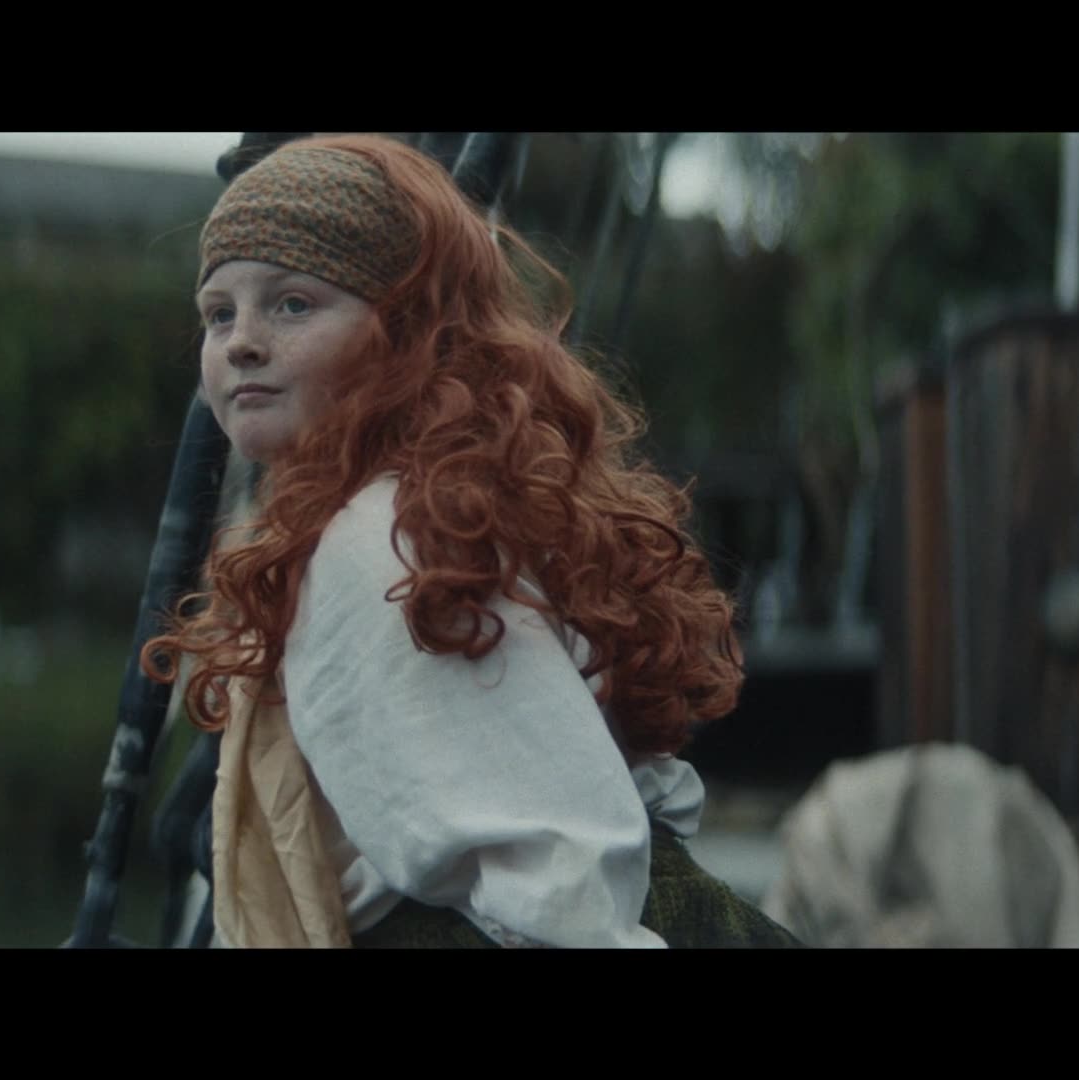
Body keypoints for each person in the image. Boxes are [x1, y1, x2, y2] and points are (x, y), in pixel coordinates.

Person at [141, 134, 800, 949]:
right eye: (219, 313)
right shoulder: (436, 511)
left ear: (404, 330)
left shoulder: (379, 545)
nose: (241, 340)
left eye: (293, 304)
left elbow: (561, 881)